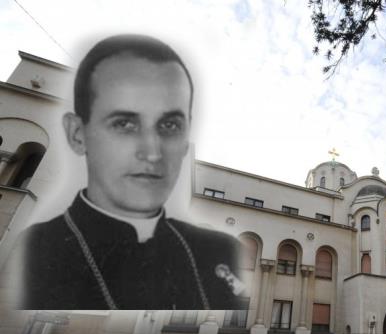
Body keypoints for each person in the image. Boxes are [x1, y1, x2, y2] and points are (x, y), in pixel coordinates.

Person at [10, 34, 245, 310]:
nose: (153, 152)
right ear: (78, 133)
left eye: (170, 125)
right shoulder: (35, 248)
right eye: (124, 123)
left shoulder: (218, 250)